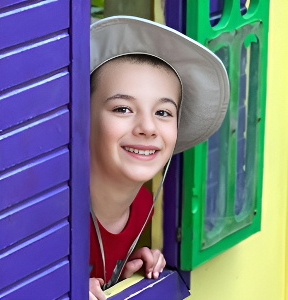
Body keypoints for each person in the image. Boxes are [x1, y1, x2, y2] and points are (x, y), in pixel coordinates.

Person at [89, 16, 229, 300]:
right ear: (83, 118)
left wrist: (122, 272)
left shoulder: (141, 207)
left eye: (163, 112)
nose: (148, 128)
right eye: (123, 109)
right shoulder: (50, 212)